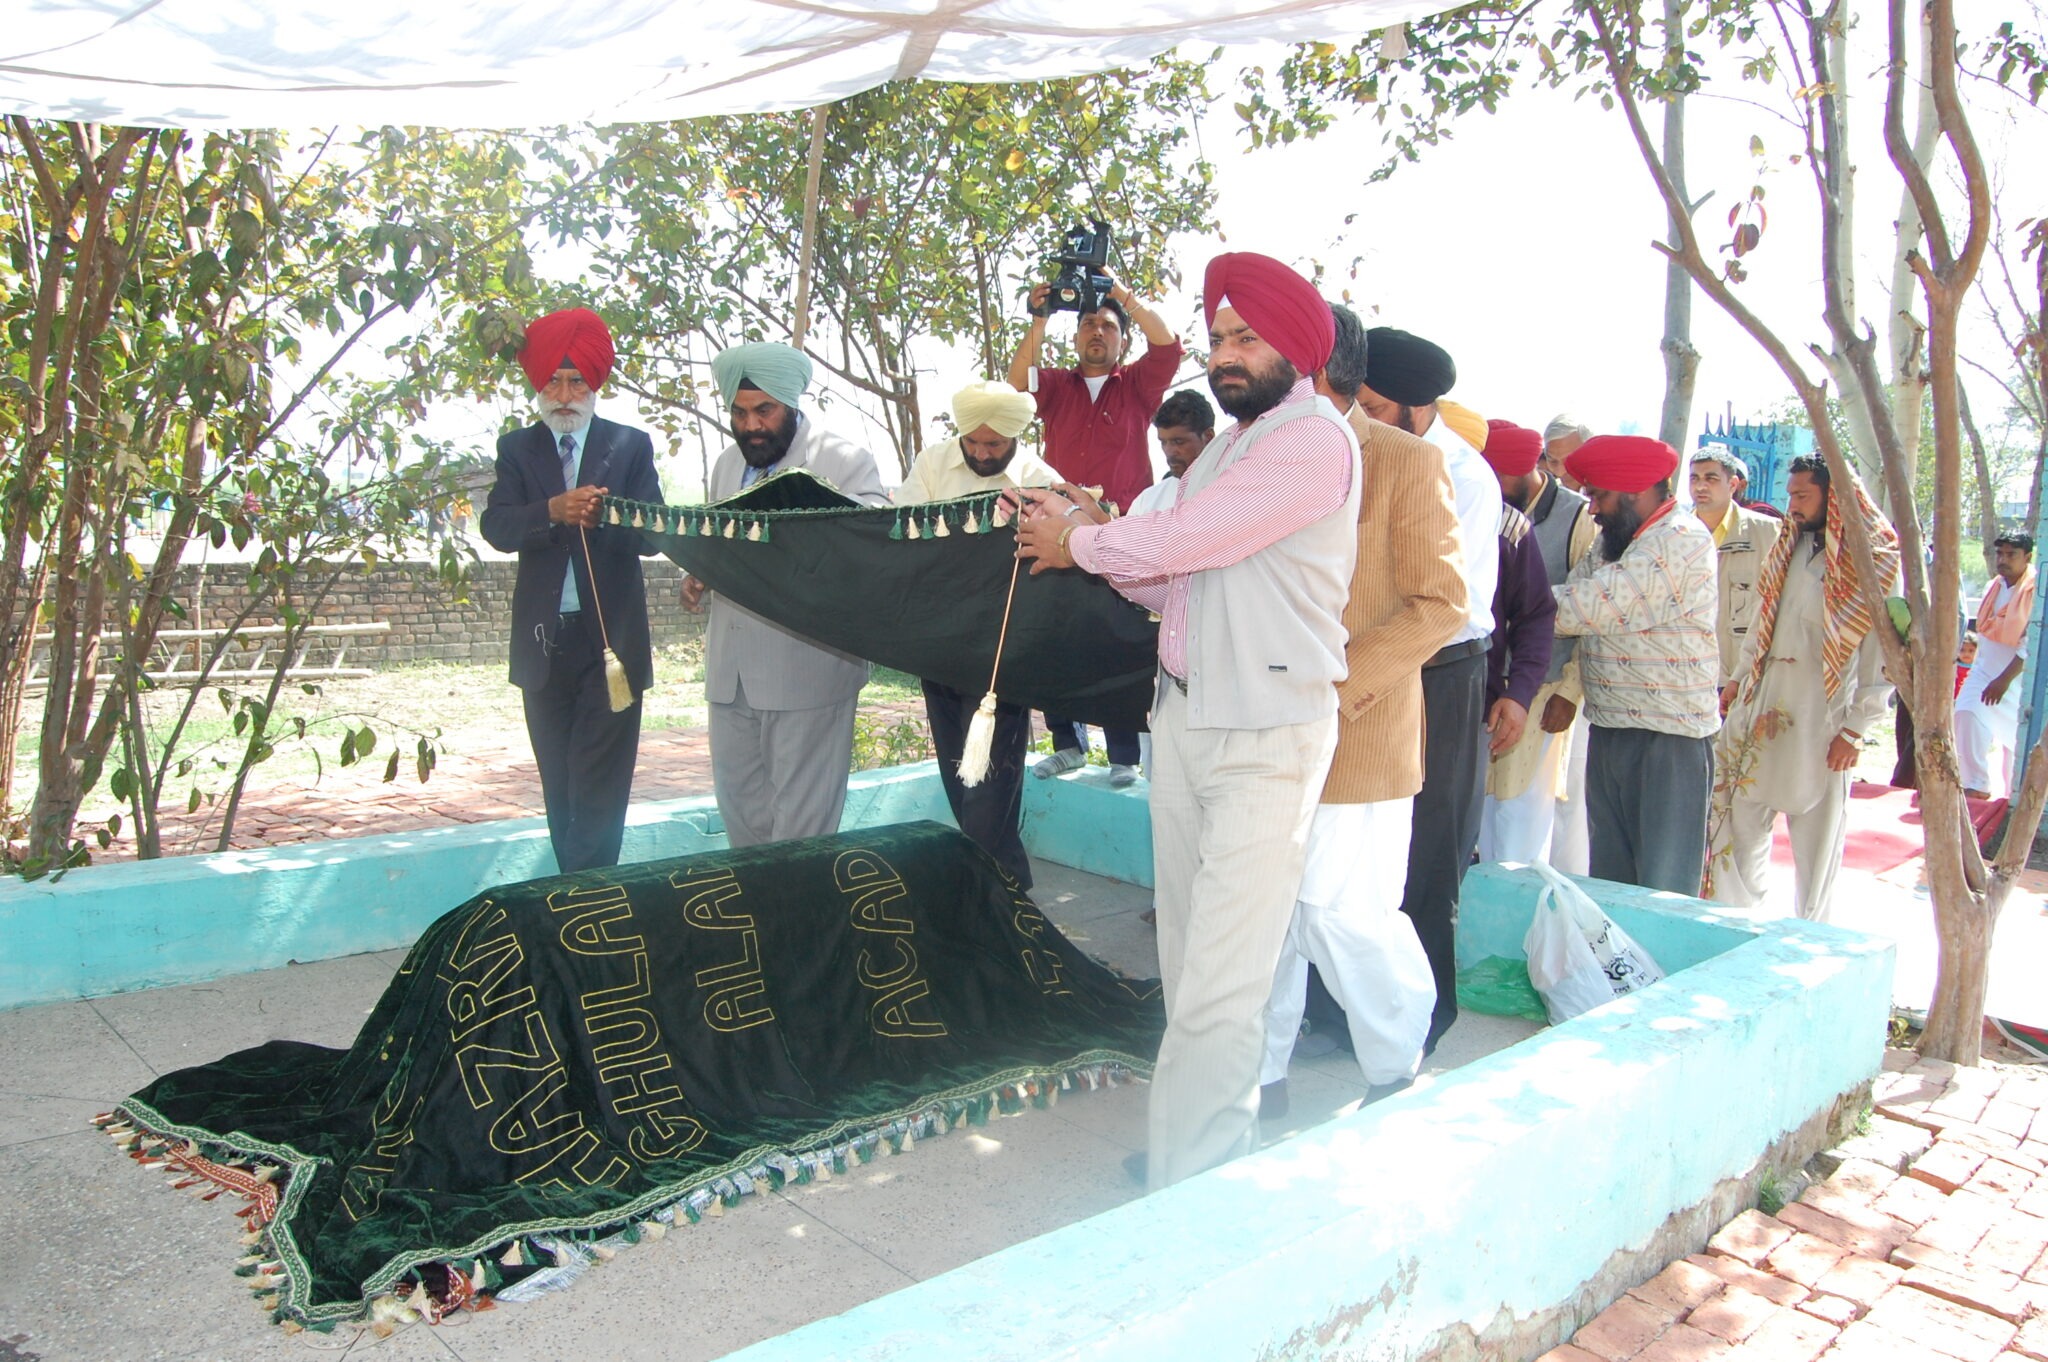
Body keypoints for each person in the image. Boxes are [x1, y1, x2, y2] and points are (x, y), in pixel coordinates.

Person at [1012, 252, 1359, 1190]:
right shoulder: (1234, 447)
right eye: (1219, 339)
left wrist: (1082, 539)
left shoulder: (1311, 440)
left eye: (1247, 338)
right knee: (1188, 963)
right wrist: (1088, 523)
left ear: (1298, 346)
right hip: (1189, 719)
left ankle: (1194, 1184)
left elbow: (1189, 536)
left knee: (1221, 985)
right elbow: (1174, 581)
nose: (1226, 354)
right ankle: (1191, 1155)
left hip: (1264, 732)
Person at [1259, 301, 1465, 1111]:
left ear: (1315, 365)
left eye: (1264, 347)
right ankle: (1257, 1088)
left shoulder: (1406, 461)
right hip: (1260, 730)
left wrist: (1330, 690)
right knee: (1264, 917)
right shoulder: (1252, 457)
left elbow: (1440, 603)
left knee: (1343, 916)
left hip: (1358, 733)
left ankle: (1395, 1072)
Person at [681, 342, 889, 846]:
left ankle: (801, 904)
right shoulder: (727, 464)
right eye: (739, 413)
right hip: (731, 676)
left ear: (792, 404)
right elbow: (724, 545)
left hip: (808, 673)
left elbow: (875, 547)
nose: (751, 425)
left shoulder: (842, 459)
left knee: (802, 834)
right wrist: (702, 571)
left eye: (764, 411)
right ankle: (759, 902)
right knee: (743, 822)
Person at [1357, 326, 1501, 1051]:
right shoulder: (1365, 456)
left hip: (1442, 672)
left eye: (1376, 410)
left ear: (1417, 408)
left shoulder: (1464, 476)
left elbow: (1442, 604)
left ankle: (1428, 1019)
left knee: (1431, 849)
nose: (1364, 422)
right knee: (1362, 845)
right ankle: (1356, 1011)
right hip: (1379, 663)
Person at [480, 307, 664, 873]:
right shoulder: (517, 448)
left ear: (595, 383)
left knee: (599, 784)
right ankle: (574, 896)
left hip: (610, 646)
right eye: (553, 382)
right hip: (544, 646)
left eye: (576, 381)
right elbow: (497, 527)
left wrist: (604, 516)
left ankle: (591, 897)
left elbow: (653, 533)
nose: (564, 396)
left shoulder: (629, 446)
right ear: (538, 384)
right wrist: (553, 511)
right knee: (560, 787)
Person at [1009, 275, 1183, 786]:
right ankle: (1068, 746)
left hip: (1118, 531)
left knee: (1116, 637)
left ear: (1122, 340)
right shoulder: (1056, 386)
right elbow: (1015, 387)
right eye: (1088, 323)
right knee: (1055, 633)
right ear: (1075, 335)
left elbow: (1167, 346)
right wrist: (1040, 318)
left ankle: (1124, 756)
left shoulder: (1137, 386)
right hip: (1056, 528)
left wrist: (1121, 293)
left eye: (1108, 325)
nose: (1097, 332)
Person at [1708, 456, 1898, 921]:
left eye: (1802, 496)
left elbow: (1881, 657)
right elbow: (1764, 619)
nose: (1791, 505)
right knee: (1738, 813)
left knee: (1818, 834)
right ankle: (1736, 920)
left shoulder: (1875, 563)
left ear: (1835, 498)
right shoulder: (1789, 544)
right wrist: (1738, 679)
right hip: (1762, 700)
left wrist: (1855, 730)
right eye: (1790, 495)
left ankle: (1809, 931)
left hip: (1823, 715)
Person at [895, 381, 1057, 886]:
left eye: (995, 445)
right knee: (958, 775)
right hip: (940, 646)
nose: (983, 453)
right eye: (973, 443)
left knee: (989, 785)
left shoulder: (1039, 479)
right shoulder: (932, 466)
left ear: (1016, 437)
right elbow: (902, 533)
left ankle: (986, 890)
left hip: (1002, 654)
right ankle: (1007, 886)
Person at [1550, 435, 1721, 894]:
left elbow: (1584, 607)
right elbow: (1575, 595)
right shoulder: (1614, 543)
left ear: (1635, 491)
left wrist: (1500, 606)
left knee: (1663, 891)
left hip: (1668, 741)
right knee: (1613, 886)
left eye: (1599, 496)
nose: (1592, 509)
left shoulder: (1679, 539)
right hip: (1612, 729)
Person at [1478, 420, 1591, 865]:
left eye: (1497, 476)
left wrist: (1569, 692)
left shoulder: (1579, 517)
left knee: (1520, 819)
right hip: (1484, 687)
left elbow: (1589, 615)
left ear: (1523, 471)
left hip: (1543, 691)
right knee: (1482, 815)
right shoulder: (1484, 506)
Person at [1131, 389, 1217, 802]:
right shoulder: (1150, 500)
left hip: (1218, 659)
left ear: (1209, 436)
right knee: (1164, 781)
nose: (1169, 452)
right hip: (1161, 656)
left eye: (1179, 441)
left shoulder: (1232, 494)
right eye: (1163, 442)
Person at [1690, 448, 1784, 688]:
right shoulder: (1675, 533)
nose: (1700, 486)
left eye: (1711, 478)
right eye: (1694, 478)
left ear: (1732, 484)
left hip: (1741, 675)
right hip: (1686, 672)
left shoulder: (1768, 533)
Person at [1956, 532, 2037, 799]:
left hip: (2020, 680)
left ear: (2027, 557)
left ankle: (2016, 798)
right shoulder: (1993, 586)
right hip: (1983, 671)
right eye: (2000, 553)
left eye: (2011, 554)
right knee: (1966, 712)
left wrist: (2004, 680)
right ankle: (1976, 784)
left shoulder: (2036, 591)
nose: (2003, 560)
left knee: (2017, 745)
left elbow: (2031, 644)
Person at [1543, 415, 1592, 493]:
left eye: (1570, 461)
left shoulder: (1610, 494)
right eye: (1553, 461)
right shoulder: (1549, 495)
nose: (1560, 472)